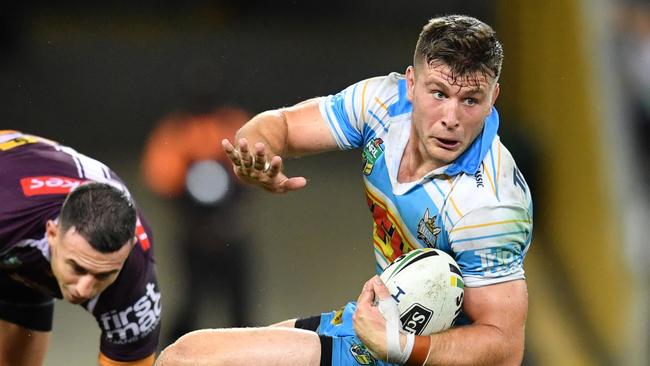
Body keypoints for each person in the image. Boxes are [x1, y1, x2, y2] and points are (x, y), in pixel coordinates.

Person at [156, 14, 532, 366]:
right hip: (372, 323)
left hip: (412, 351)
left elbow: (505, 347)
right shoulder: (382, 104)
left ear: (493, 98)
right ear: (411, 84)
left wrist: (399, 346)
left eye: (470, 100)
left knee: (187, 358)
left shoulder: (491, 205)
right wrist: (253, 155)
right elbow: (281, 124)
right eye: (438, 93)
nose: (451, 119)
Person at [0, 130, 161, 366]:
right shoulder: (8, 215)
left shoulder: (134, 275)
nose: (84, 290)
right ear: (52, 232)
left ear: (129, 250)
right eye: (76, 267)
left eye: (104, 274)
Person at [141, 106, 252, 344]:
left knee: (239, 308)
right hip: (196, 234)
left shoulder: (230, 124)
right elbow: (163, 182)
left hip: (226, 233)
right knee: (192, 302)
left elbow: (251, 178)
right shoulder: (176, 131)